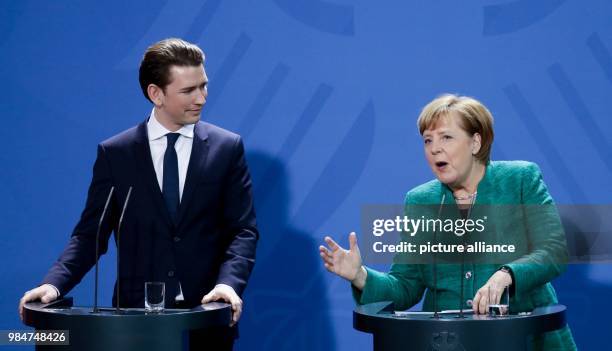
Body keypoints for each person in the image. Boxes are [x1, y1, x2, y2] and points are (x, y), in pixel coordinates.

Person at [18, 38, 258, 350]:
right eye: (188, 90)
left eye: (204, 86)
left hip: (206, 321)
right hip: (133, 325)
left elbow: (243, 230)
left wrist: (228, 285)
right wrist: (53, 284)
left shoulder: (227, 148)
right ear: (155, 93)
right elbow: (90, 234)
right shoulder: (116, 154)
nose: (201, 98)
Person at [319, 94, 577, 350]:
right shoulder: (420, 200)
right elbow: (405, 286)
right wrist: (359, 275)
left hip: (524, 340)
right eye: (427, 140)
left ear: (475, 142)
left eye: (446, 137)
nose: (434, 149)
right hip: (448, 342)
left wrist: (507, 274)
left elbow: (553, 250)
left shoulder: (520, 179)